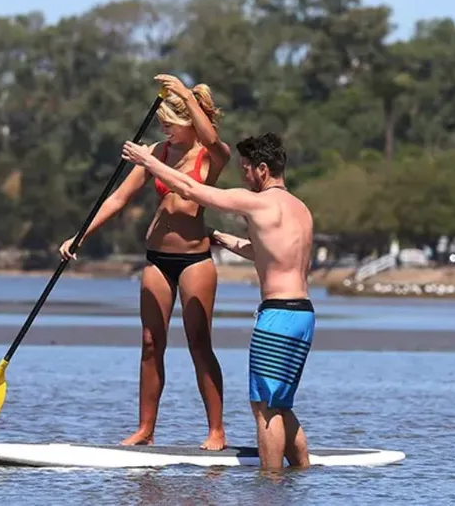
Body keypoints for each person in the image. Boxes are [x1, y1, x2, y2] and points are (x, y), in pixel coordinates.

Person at [122, 132, 316, 471]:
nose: (244, 178)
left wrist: (149, 161)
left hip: (277, 316)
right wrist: (224, 239)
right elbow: (269, 254)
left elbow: (194, 191)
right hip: (303, 314)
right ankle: (301, 477)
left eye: (246, 171)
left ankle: (268, 487)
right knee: (280, 403)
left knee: (265, 408)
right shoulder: (300, 209)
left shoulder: (259, 202)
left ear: (263, 169)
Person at [58, 74, 231, 450]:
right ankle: (145, 430)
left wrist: (185, 93)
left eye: (172, 119)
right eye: (163, 120)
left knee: (199, 343)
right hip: (156, 258)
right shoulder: (153, 153)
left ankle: (216, 431)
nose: (165, 126)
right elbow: (117, 200)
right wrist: (80, 235)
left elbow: (215, 142)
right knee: (151, 343)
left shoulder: (211, 155)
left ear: (190, 119)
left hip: (194, 260)